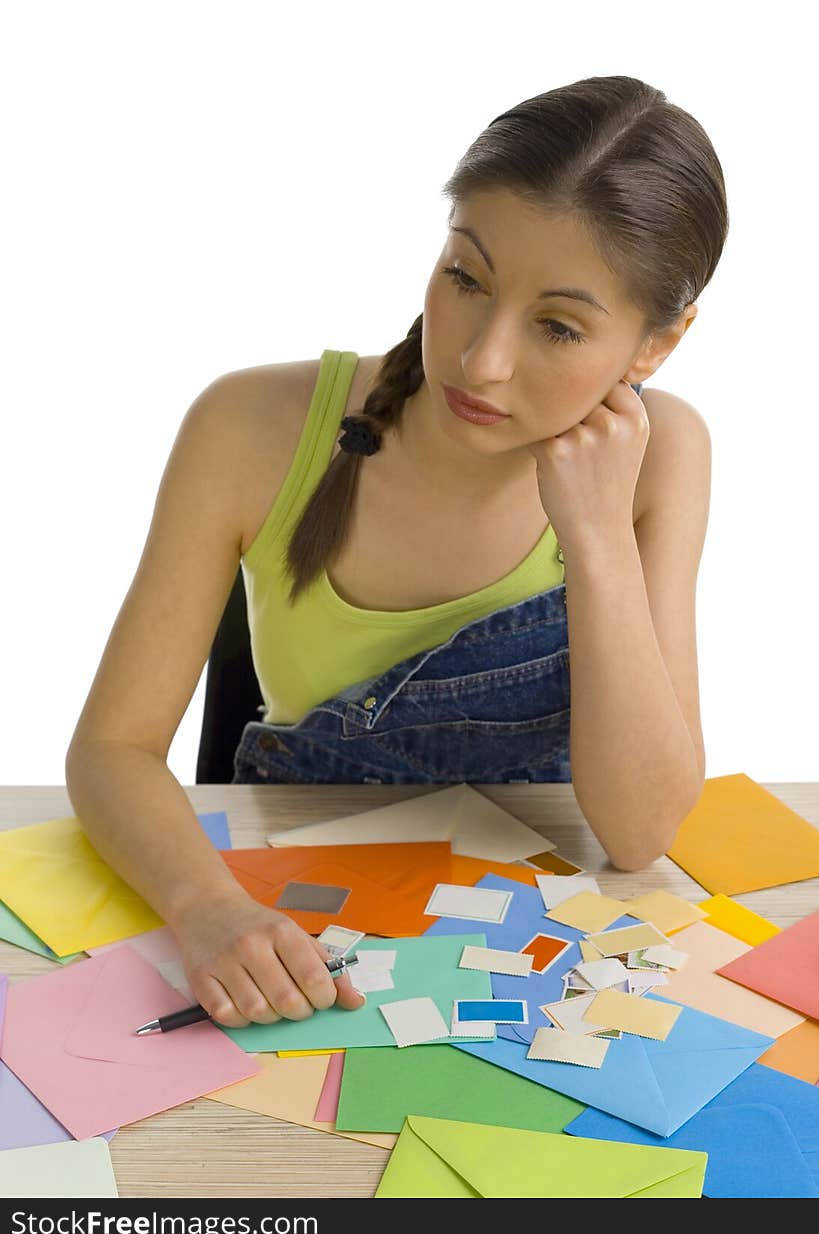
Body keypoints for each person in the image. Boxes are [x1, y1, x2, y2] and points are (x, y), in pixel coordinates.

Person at [65, 74, 724, 1032]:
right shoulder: (248, 426)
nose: (483, 359)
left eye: (558, 326)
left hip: (538, 954)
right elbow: (111, 749)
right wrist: (206, 908)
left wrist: (594, 535)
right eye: (467, 278)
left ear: (656, 344)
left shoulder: (664, 458)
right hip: (291, 931)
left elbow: (640, 831)